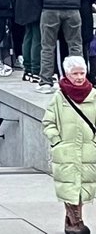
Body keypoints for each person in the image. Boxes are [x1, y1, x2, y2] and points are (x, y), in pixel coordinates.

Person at [41, 56, 96, 234]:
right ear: (67, 74)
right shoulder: (59, 97)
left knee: (80, 188)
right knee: (70, 188)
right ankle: (76, 223)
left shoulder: (93, 96)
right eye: (75, 73)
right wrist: (57, 141)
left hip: (88, 151)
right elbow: (48, 122)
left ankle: (71, 222)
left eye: (82, 73)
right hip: (66, 151)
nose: (79, 77)